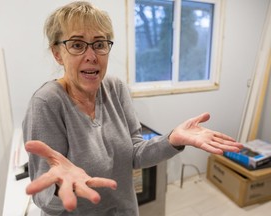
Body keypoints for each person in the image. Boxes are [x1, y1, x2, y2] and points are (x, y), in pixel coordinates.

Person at [22, 1, 243, 216]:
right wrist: (61, 188)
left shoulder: (116, 88)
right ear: (57, 53)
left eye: (99, 44)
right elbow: (43, 197)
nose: (91, 56)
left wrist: (172, 139)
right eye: (77, 45)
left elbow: (135, 154)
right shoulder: (47, 103)